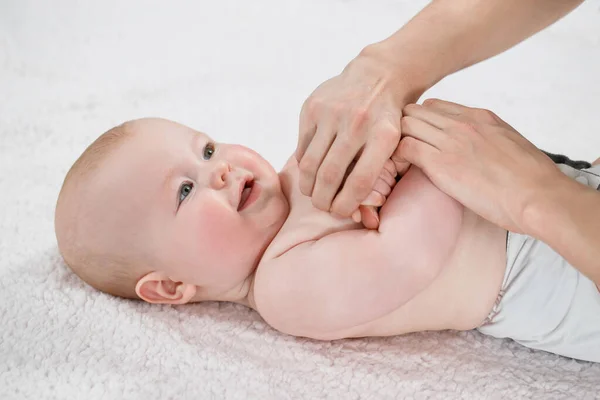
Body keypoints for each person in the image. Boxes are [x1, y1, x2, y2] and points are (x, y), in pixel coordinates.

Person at [54, 117, 600, 363]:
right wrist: (414, 161)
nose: (219, 170)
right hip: (550, 279)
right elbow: (410, 253)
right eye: (186, 191)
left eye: (207, 149)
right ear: (172, 286)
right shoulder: (285, 289)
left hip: (550, 193)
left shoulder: (297, 179)